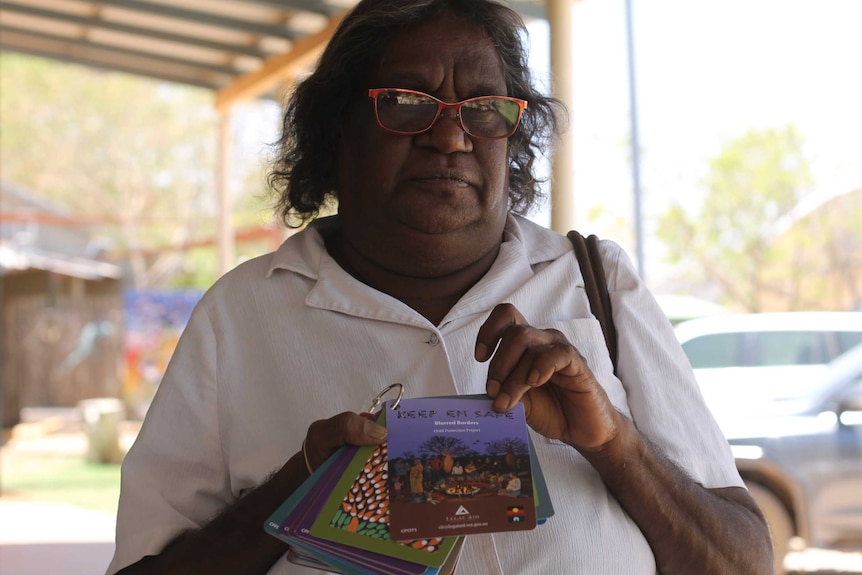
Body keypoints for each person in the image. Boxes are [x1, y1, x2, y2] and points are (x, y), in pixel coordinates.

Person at [107, 1, 773, 574]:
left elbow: (741, 560)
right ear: (335, 131)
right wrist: (298, 488)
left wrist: (614, 443)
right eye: (406, 103)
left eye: (484, 110)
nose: (450, 135)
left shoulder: (597, 286)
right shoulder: (241, 316)